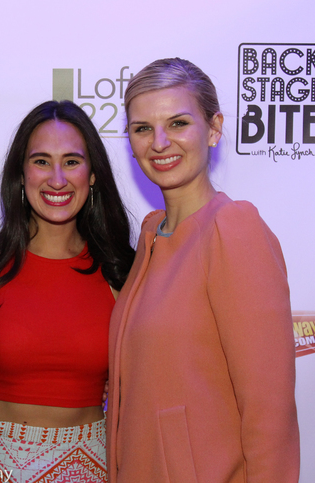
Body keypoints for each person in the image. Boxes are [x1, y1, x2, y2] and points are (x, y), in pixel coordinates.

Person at [106, 58, 300, 482]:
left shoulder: (233, 228)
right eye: (142, 128)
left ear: (213, 129)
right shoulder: (152, 232)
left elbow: (269, 408)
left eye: (177, 123)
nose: (159, 142)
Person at [0, 100, 135, 483]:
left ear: (93, 173)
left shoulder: (124, 272)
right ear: (21, 172)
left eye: (73, 161)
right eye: (42, 161)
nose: (57, 179)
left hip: (93, 465)